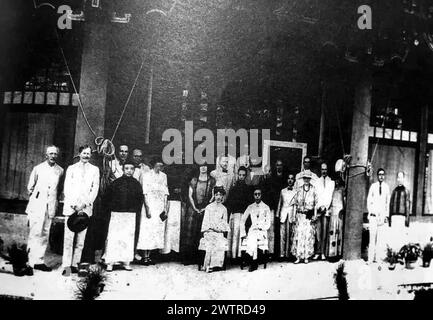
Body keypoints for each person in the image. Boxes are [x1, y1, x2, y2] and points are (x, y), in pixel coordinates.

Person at [62, 145, 100, 276]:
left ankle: (75, 265)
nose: (86, 156)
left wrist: (84, 204)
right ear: (79, 154)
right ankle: (66, 266)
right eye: (84, 153)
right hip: (71, 208)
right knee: (68, 239)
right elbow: (67, 188)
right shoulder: (71, 169)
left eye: (88, 154)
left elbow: (94, 189)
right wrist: (74, 205)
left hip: (85, 209)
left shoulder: (95, 170)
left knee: (80, 241)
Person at [25, 145, 64, 273]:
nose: (53, 156)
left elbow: (59, 190)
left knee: (44, 234)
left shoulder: (60, 170)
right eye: (50, 153)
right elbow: (30, 187)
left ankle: (40, 261)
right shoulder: (38, 168)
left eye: (55, 154)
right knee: (35, 233)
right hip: (37, 206)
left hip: (50, 206)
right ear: (46, 155)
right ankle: (30, 263)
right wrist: (37, 199)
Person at [103, 159, 144, 271]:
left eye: (131, 169)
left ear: (134, 170)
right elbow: (107, 198)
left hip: (130, 215)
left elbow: (140, 199)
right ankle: (110, 262)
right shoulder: (116, 183)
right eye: (127, 168)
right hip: (117, 214)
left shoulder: (136, 184)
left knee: (128, 238)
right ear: (123, 169)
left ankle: (126, 262)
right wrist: (113, 209)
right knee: (114, 237)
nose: (129, 171)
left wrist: (134, 211)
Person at [136, 156, 169, 265]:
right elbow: (144, 193)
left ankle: (149, 256)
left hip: (159, 207)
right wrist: (147, 208)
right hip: (149, 205)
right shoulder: (146, 175)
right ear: (153, 164)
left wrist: (165, 208)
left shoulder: (164, 176)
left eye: (161, 165)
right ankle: (144, 256)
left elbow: (165, 192)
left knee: (155, 231)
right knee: (147, 231)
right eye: (157, 164)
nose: (159, 166)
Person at [180, 163, 215, 265]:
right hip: (193, 209)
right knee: (190, 233)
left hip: (206, 209)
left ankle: (200, 259)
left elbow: (213, 195)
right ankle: (188, 258)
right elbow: (190, 195)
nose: (203, 168)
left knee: (202, 233)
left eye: (205, 166)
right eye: (201, 166)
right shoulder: (194, 180)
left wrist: (205, 208)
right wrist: (195, 208)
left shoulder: (211, 181)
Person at [198, 186, 230, 273]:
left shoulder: (224, 209)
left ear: (223, 196)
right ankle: (208, 265)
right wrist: (211, 229)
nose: (218, 197)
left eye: (220, 195)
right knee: (212, 241)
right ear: (214, 196)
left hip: (219, 232)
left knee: (220, 240)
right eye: (216, 195)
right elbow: (206, 222)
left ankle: (216, 265)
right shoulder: (209, 207)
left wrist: (219, 230)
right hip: (209, 231)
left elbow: (224, 223)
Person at [240, 186, 271, 272]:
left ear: (261, 195)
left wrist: (262, 228)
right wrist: (243, 233)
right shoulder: (250, 207)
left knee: (253, 237)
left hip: (262, 231)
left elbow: (268, 223)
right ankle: (254, 261)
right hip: (253, 230)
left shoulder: (266, 207)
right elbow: (242, 220)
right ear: (253, 195)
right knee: (252, 236)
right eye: (255, 194)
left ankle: (249, 255)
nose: (257, 196)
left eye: (259, 194)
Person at [225, 166, 252, 261]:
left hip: (244, 215)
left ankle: (241, 256)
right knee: (234, 234)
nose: (241, 177)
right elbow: (229, 202)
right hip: (235, 214)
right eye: (240, 175)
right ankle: (233, 256)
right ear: (237, 175)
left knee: (242, 234)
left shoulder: (248, 189)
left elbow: (249, 204)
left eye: (243, 175)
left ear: (245, 176)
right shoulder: (233, 189)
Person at [291, 170, 318, 264]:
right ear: (303, 178)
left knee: (307, 235)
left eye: (308, 178)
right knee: (299, 234)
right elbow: (295, 203)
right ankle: (298, 256)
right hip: (300, 215)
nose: (306, 179)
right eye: (305, 178)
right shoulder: (299, 189)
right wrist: (294, 215)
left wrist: (314, 215)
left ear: (310, 179)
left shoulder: (314, 189)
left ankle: (306, 256)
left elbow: (315, 204)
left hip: (308, 215)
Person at [263, 159, 287, 258]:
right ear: (275, 166)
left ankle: (279, 252)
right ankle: (271, 252)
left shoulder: (285, 178)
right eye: (277, 165)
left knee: (280, 229)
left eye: (280, 165)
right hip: (273, 206)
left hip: (282, 206)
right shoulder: (271, 179)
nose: (279, 167)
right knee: (272, 229)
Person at [366, 168, 390, 265]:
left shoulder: (386, 187)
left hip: (382, 217)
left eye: (383, 174)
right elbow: (368, 201)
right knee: (372, 238)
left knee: (380, 239)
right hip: (373, 216)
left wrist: (386, 215)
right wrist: (371, 212)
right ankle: (370, 259)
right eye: (379, 174)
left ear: (384, 176)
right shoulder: (373, 186)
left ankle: (378, 258)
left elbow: (387, 203)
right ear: (377, 176)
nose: (381, 176)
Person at [313, 163, 335, 260]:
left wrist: (325, 206)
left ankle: (323, 252)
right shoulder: (317, 181)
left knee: (324, 232)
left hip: (326, 210)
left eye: (325, 169)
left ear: (327, 170)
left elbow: (330, 196)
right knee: (318, 232)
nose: (324, 171)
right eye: (322, 169)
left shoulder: (331, 182)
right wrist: (320, 206)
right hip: (318, 210)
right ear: (320, 170)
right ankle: (317, 252)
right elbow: (316, 196)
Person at [388, 171, 410, 251]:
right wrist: (390, 218)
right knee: (394, 236)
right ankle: (394, 255)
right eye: (398, 177)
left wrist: (407, 220)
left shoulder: (406, 191)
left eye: (401, 177)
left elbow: (407, 206)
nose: (400, 179)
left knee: (401, 237)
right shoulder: (394, 191)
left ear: (403, 179)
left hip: (402, 217)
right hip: (394, 217)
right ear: (397, 179)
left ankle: (400, 256)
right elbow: (391, 205)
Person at [276, 173, 297, 261]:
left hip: (291, 213)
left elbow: (296, 205)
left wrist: (295, 215)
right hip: (283, 213)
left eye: (292, 179)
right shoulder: (283, 191)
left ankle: (289, 254)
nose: (290, 180)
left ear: (294, 181)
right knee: (282, 235)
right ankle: (282, 254)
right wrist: (277, 214)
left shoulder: (296, 191)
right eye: (289, 178)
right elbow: (280, 203)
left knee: (290, 234)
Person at [326, 176, 345, 259]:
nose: (337, 182)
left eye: (338, 180)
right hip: (333, 211)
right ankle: (331, 253)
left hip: (339, 211)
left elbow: (344, 200)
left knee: (338, 232)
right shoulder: (332, 189)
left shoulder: (342, 189)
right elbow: (330, 200)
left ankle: (338, 253)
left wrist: (343, 209)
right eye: (335, 180)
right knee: (332, 232)